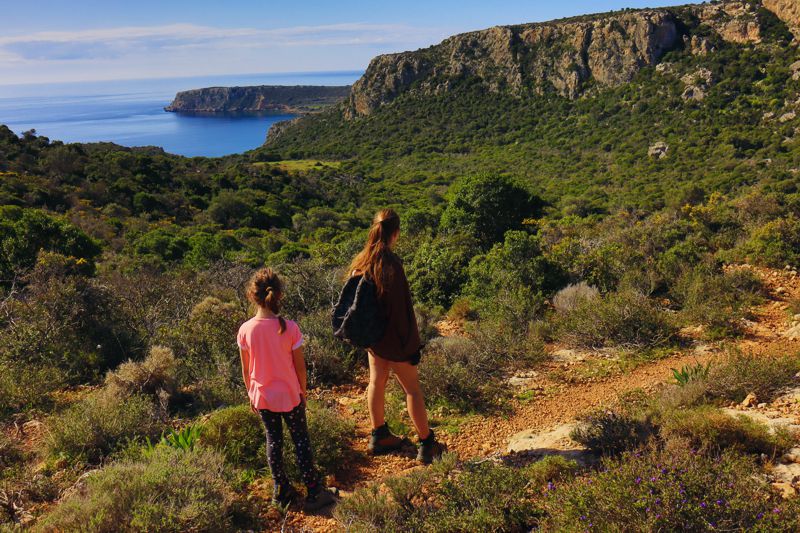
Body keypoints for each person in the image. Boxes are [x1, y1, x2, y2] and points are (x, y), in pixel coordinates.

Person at [348, 208, 446, 464]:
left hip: (374, 340)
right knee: (412, 389)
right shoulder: (392, 265)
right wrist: (411, 346)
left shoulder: (361, 262)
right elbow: (402, 311)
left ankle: (379, 434)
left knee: (376, 382)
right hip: (395, 340)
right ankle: (427, 444)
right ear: (396, 233)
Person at [238, 267, 336, 511]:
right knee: (301, 439)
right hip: (290, 395)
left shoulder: (246, 330)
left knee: (274, 441)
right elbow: (300, 368)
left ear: (253, 296)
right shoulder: (289, 328)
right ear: (279, 295)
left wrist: (251, 393)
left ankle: (281, 492)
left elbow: (246, 370)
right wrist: (302, 392)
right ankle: (314, 492)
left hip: (262, 396)